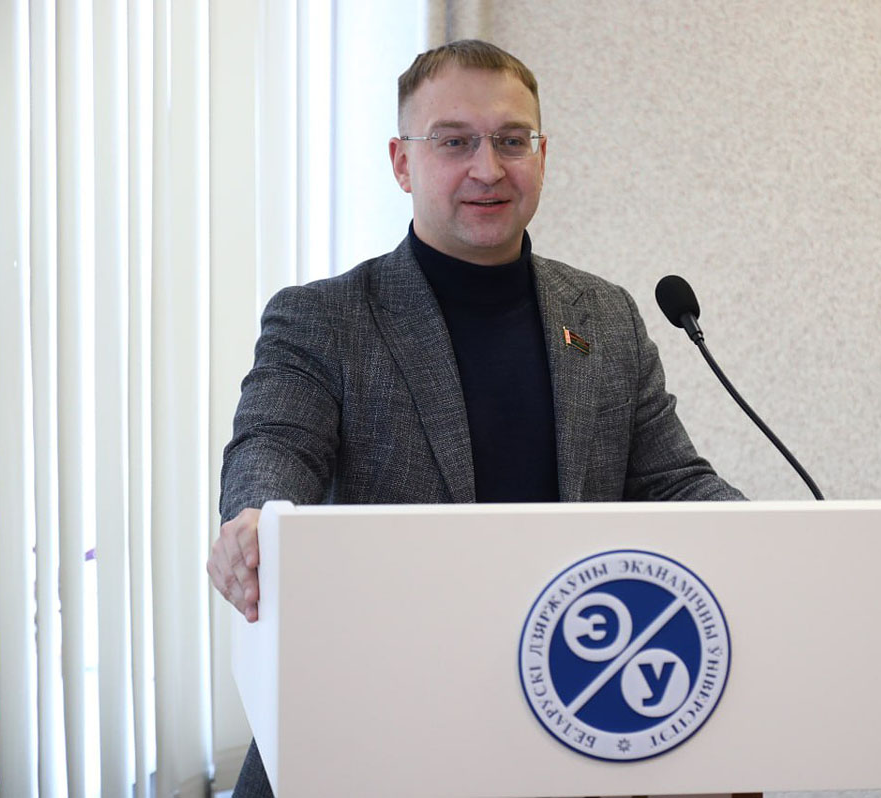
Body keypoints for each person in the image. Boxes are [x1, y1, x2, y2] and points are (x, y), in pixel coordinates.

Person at [208, 39, 744, 797]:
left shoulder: (605, 316)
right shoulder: (324, 319)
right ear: (402, 162)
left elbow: (673, 481)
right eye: (454, 142)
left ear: (542, 157)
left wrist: (776, 545)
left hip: (568, 723)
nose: (488, 168)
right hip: (372, 728)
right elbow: (273, 446)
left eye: (511, 140)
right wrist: (256, 517)